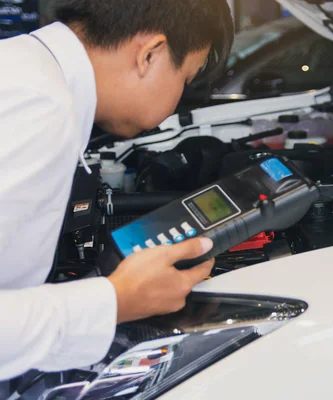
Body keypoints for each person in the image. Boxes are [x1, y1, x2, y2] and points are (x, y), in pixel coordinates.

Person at [0, 0, 234, 381]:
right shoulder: (39, 105)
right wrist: (116, 301)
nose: (178, 99)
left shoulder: (20, 68)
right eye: (185, 80)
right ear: (149, 54)